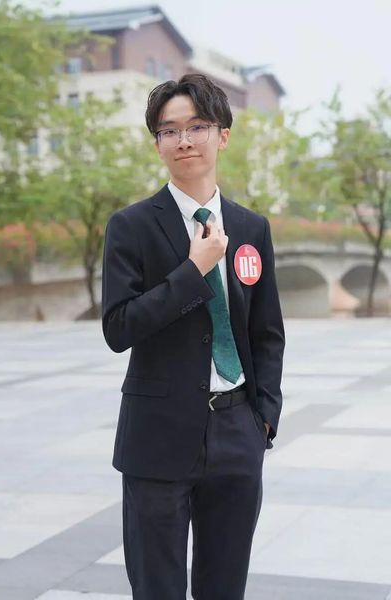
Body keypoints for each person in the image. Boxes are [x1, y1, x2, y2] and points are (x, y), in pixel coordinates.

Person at [102, 73, 285, 600]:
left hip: (237, 431)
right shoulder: (131, 226)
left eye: (197, 127)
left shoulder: (251, 228)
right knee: (157, 588)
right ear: (157, 143)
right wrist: (193, 270)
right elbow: (119, 328)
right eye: (169, 130)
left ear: (222, 135)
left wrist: (263, 417)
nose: (184, 140)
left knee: (224, 587)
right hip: (156, 436)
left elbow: (267, 331)